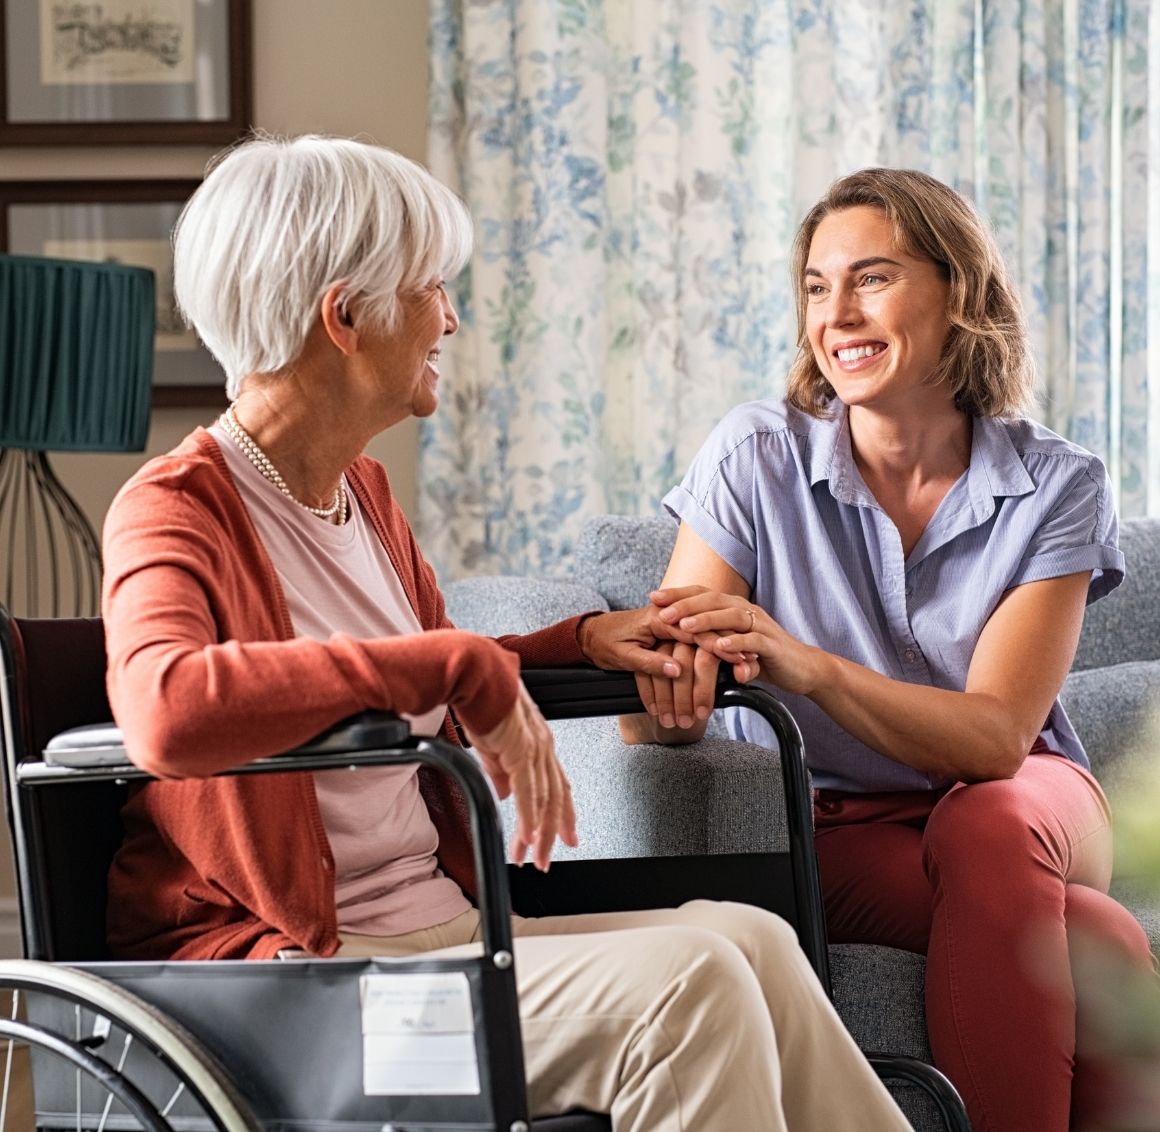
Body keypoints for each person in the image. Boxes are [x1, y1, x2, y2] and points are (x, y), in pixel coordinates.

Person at [100, 134, 911, 1131]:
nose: (450, 318)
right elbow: (166, 712)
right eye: (431, 289)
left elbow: (417, 675)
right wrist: (452, 659)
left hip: (434, 941)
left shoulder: (362, 495)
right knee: (689, 988)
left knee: (751, 940)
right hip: (294, 1000)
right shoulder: (176, 507)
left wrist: (578, 642)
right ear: (344, 317)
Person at [627, 167, 1159, 1132]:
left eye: (871, 278)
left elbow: (995, 740)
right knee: (1101, 940)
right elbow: (658, 698)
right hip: (841, 824)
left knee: (989, 822)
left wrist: (809, 666)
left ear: (959, 291)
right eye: (817, 287)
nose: (837, 315)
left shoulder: (1059, 484)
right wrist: (671, 689)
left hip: (1028, 799)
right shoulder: (754, 457)